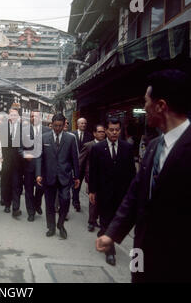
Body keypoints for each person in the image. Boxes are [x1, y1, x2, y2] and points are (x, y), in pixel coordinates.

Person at [96, 69, 191, 282]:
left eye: (146, 102)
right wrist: (111, 233)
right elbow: (134, 196)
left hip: (178, 261)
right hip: (141, 252)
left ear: (161, 106)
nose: (144, 108)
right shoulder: (154, 146)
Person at [89, 118, 136, 266]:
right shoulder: (97, 148)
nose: (114, 132)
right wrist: (92, 191)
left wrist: (132, 192)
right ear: (106, 130)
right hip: (104, 193)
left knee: (117, 220)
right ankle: (110, 252)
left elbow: (132, 173)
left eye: (117, 130)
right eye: (111, 130)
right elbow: (93, 171)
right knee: (105, 221)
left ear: (120, 130)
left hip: (122, 194)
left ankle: (106, 235)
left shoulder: (127, 148)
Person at [36, 114, 80, 239]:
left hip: (65, 176)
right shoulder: (44, 138)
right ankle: (51, 227)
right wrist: (38, 174)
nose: (57, 128)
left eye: (60, 126)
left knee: (65, 200)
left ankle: (61, 224)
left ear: (64, 124)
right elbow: (39, 157)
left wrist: (77, 176)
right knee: (49, 204)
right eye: (55, 126)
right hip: (48, 176)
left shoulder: (70, 139)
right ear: (52, 124)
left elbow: (74, 159)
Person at [19, 110, 50, 222]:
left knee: (41, 188)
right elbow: (19, 148)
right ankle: (31, 212)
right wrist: (25, 154)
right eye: (31, 116)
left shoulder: (48, 130)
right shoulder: (24, 131)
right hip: (29, 165)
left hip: (43, 166)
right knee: (28, 189)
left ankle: (37, 203)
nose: (33, 118)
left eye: (35, 116)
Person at [78, 124, 106, 232]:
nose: (101, 134)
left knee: (101, 200)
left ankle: (96, 219)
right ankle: (91, 221)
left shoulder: (107, 145)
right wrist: (77, 175)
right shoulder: (89, 145)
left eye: (103, 131)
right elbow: (80, 161)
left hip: (104, 178)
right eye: (99, 132)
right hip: (92, 177)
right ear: (94, 133)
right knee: (93, 200)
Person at [0, 104, 23, 217]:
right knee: (6, 183)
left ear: (18, 116)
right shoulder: (2, 127)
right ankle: (7, 204)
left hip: (18, 162)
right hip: (6, 160)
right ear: (8, 116)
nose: (13, 117)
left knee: (17, 184)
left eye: (15, 115)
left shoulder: (23, 128)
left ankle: (16, 208)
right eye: (11, 114)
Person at [72, 117, 93, 212]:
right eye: (81, 123)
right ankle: (76, 202)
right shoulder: (72, 135)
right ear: (77, 124)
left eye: (85, 123)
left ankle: (75, 200)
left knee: (84, 185)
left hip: (86, 165)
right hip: (75, 164)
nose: (83, 125)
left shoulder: (89, 136)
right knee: (76, 183)